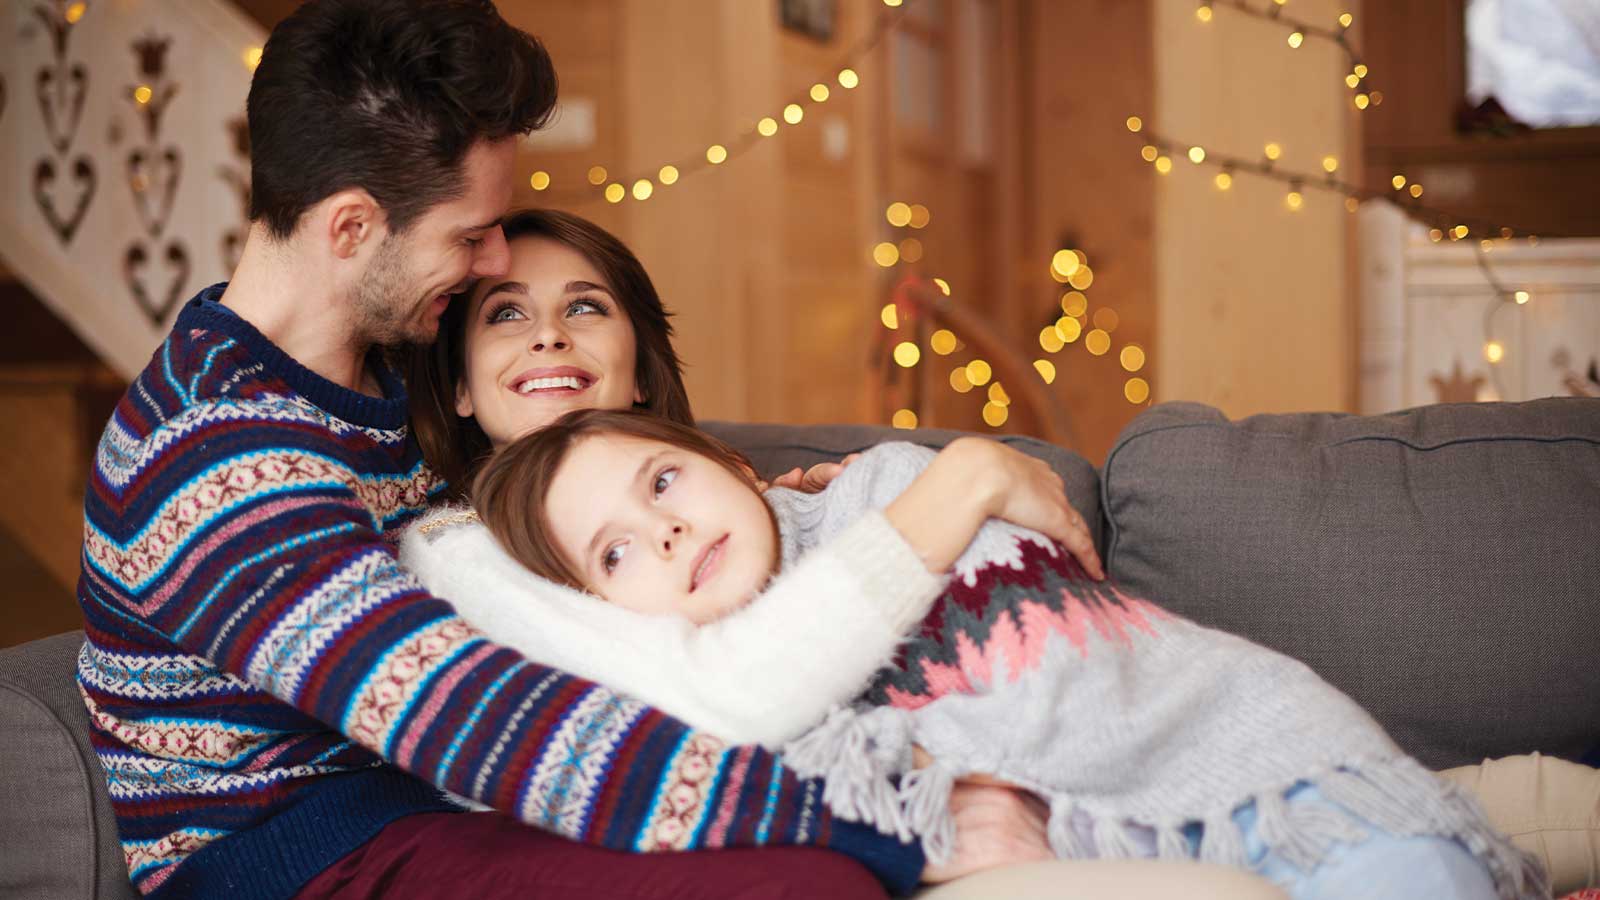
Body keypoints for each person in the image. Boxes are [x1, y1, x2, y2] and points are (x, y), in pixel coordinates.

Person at [76, 2, 1031, 897]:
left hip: (436, 790)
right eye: (470, 234)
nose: (497, 259)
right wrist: (886, 823)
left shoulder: (391, 376)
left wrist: (771, 504)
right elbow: (470, 715)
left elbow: (541, 515)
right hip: (308, 848)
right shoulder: (208, 454)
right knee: (807, 879)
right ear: (353, 228)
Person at [462, 408, 1552, 900]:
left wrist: (960, 769)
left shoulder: (887, 493)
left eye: (663, 483)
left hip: (1257, 774)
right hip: (1093, 870)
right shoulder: (715, 699)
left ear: (730, 467)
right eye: (615, 552)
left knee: (1409, 876)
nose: (661, 529)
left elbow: (1056, 650)